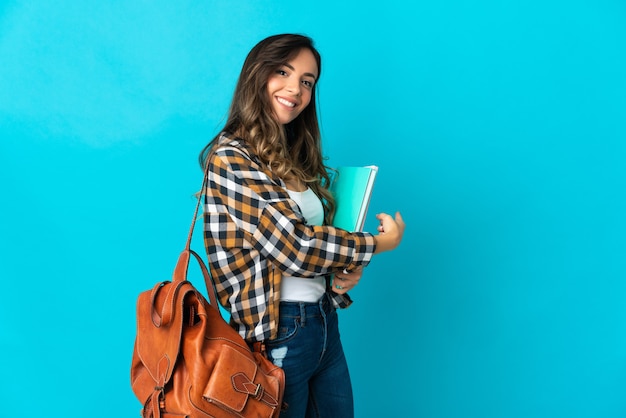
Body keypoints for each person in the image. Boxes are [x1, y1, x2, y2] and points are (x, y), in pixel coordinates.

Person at [199, 33, 405, 418]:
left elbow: (314, 249)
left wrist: (345, 270)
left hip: (323, 322)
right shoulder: (231, 158)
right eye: (283, 72)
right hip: (278, 330)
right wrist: (377, 245)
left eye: (307, 81)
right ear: (256, 76)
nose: (295, 89)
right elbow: (296, 248)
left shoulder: (291, 157)